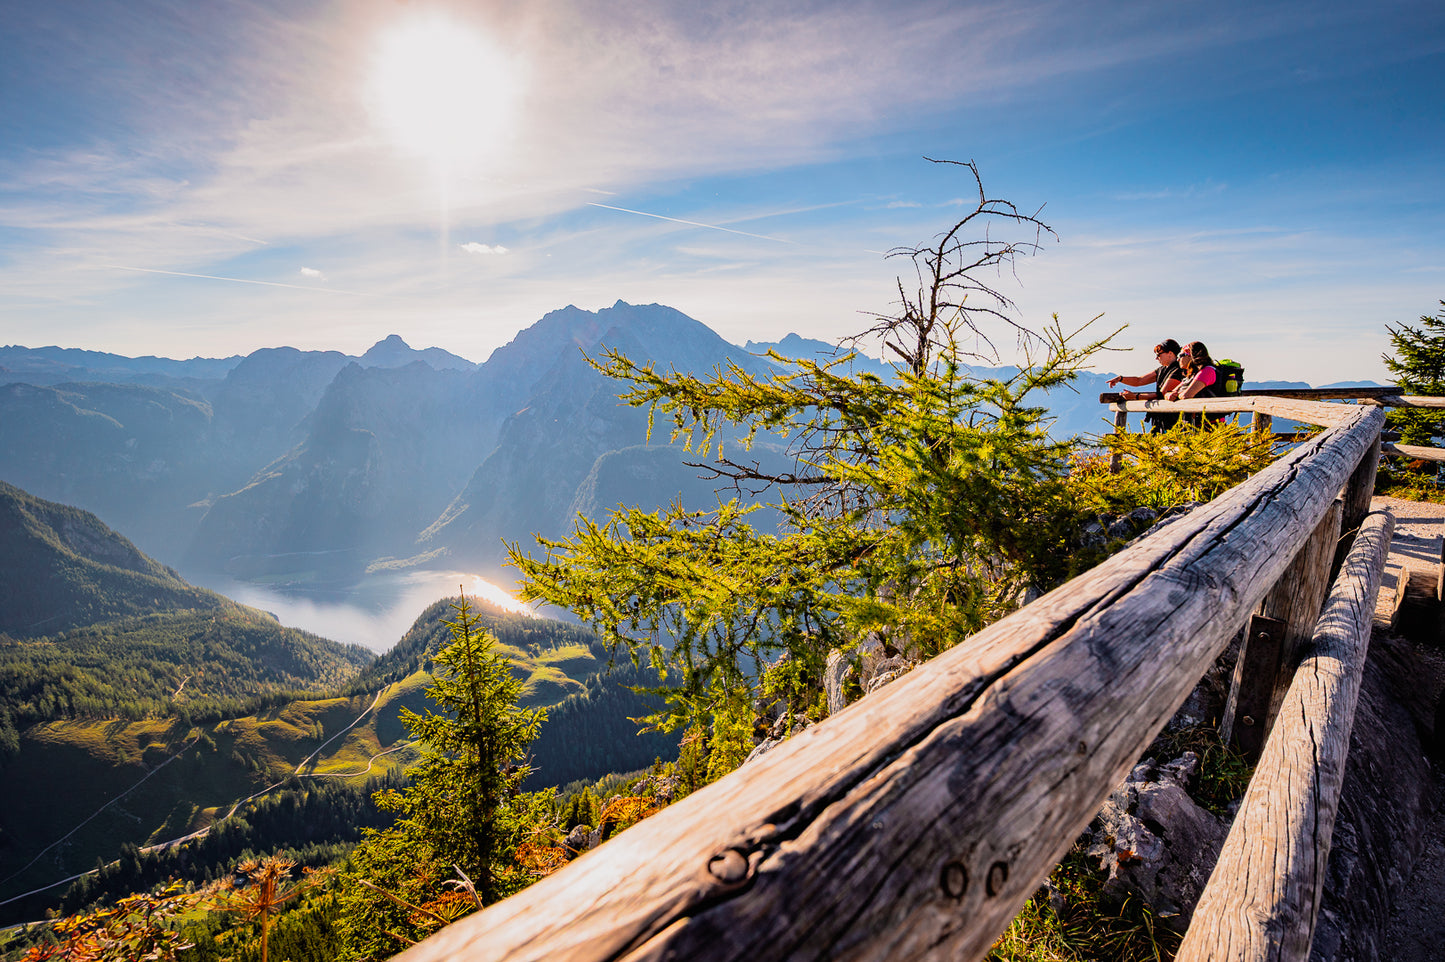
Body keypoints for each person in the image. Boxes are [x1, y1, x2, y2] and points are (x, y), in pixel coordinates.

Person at [1107, 339, 1183, 432]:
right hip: (1160, 418)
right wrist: (1121, 379)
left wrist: (1135, 397)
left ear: (1170, 353)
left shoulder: (1178, 371)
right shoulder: (1162, 370)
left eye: (1159, 355)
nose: (1157, 358)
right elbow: (1139, 380)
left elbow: (1161, 394)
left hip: (1171, 419)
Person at [1165, 341, 1224, 425]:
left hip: (1210, 424)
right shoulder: (1192, 374)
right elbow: (1170, 392)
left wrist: (1175, 395)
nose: (1178, 359)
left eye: (1181, 356)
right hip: (1197, 423)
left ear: (1190, 355)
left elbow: (1187, 395)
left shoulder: (1207, 371)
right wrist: (1169, 395)